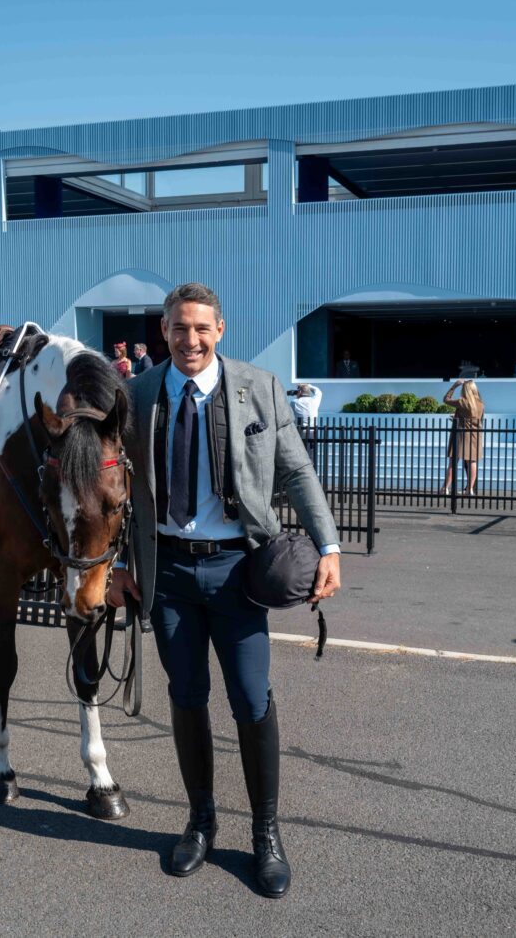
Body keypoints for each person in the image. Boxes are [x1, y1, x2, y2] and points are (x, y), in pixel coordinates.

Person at [108, 282, 342, 899]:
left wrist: (330, 547)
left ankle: (266, 835)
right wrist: (114, 566)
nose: (191, 340)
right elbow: (112, 489)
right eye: (180, 328)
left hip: (238, 570)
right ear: (164, 331)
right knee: (186, 696)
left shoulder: (258, 387)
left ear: (221, 330)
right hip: (168, 574)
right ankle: (200, 822)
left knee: (250, 697)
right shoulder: (136, 394)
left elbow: (296, 471)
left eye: (202, 328)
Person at [441, 378, 484, 496]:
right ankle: (469, 489)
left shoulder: (462, 402)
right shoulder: (480, 404)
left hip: (461, 434)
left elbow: (446, 399)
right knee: (472, 461)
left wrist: (454, 386)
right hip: (475, 435)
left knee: (453, 461)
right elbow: (479, 420)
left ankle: (445, 488)